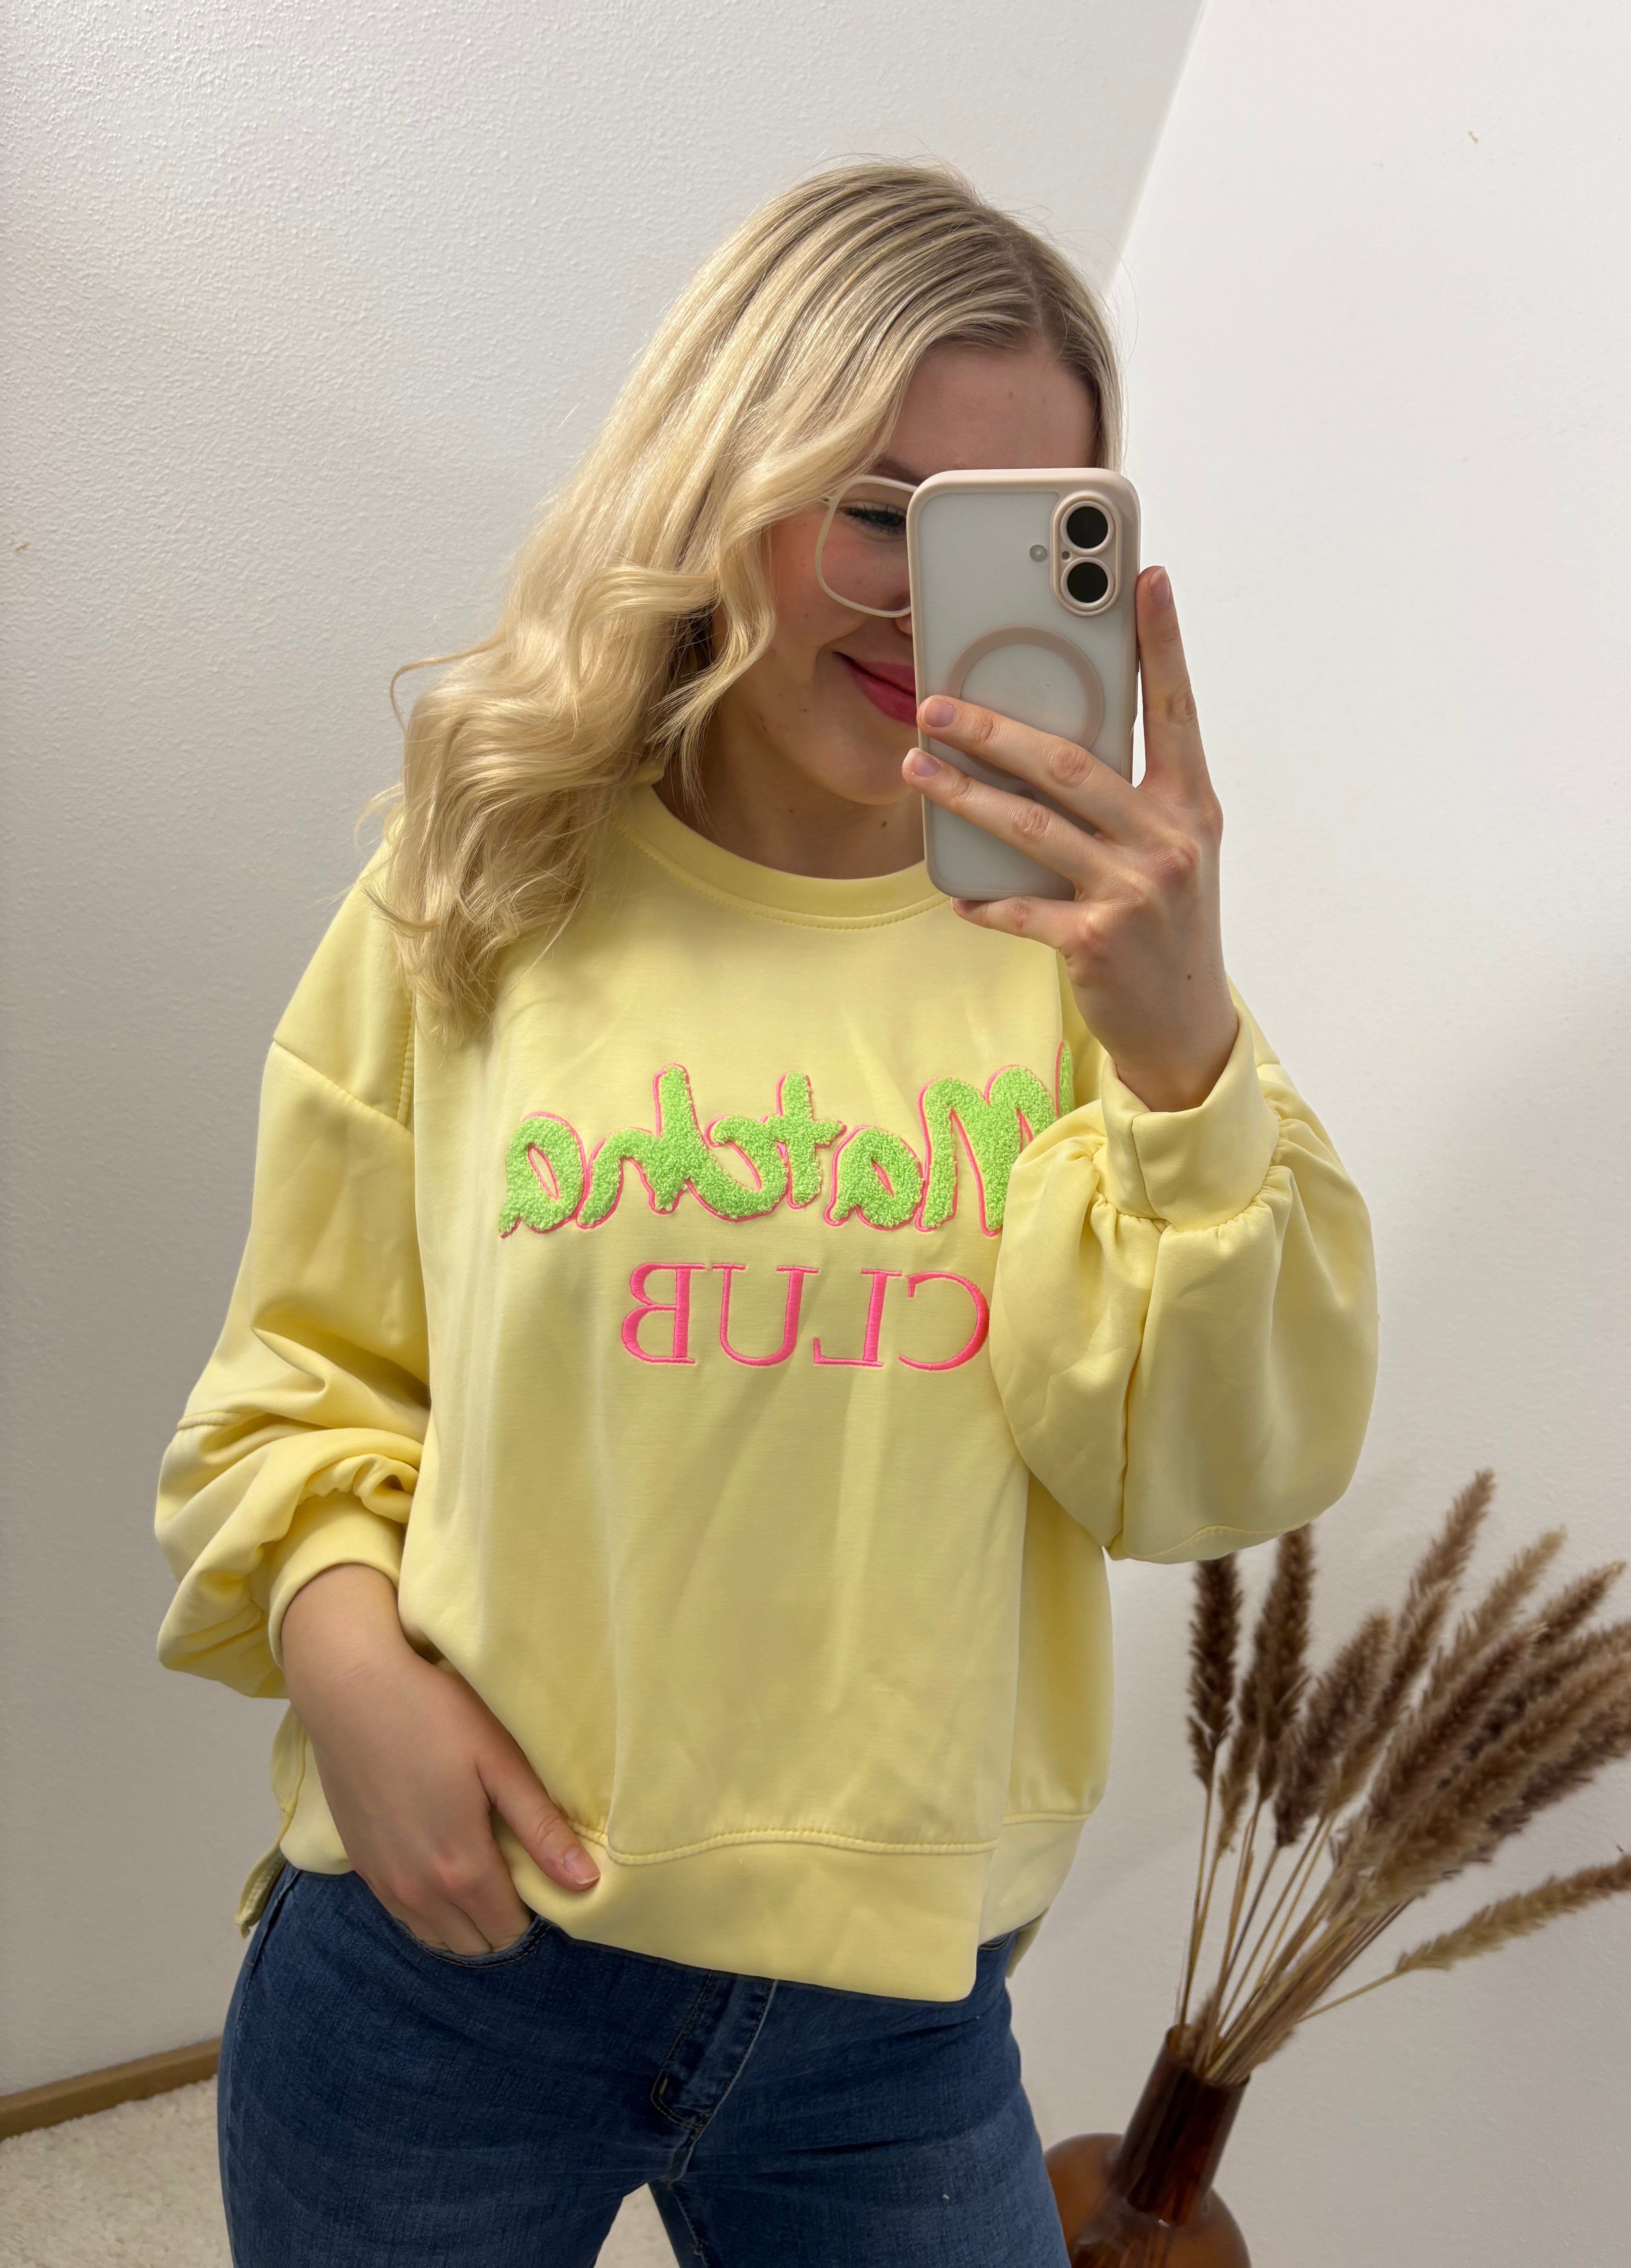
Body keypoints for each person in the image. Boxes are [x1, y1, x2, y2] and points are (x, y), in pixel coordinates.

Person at [155, 161, 1377, 2268]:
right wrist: (346, 1660)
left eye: (1019, 536)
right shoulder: (486, 878)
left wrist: (1182, 1058)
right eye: (880, 512)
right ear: (718, 478)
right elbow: (300, 1379)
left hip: (890, 2022)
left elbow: (1203, 1476)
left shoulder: (1097, 973)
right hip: (446, 1962)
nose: (928, 605)